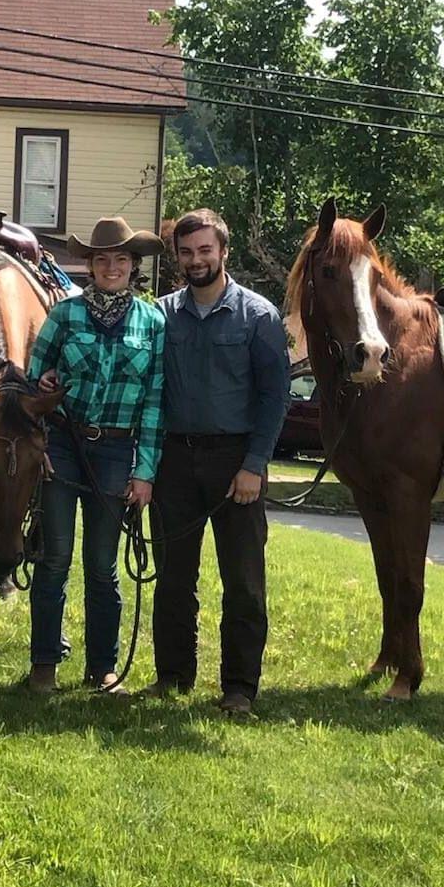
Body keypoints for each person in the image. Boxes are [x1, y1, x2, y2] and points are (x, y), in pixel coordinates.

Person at [144, 208, 291, 715]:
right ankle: (173, 676)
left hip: (237, 464)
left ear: (224, 252)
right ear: (176, 258)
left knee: (244, 582)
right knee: (173, 579)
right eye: (186, 252)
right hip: (174, 463)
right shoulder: (160, 316)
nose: (196, 260)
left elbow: (276, 399)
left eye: (205, 250)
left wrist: (254, 465)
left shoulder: (259, 316)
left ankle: (239, 689)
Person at [25, 217, 166, 694]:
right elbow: (30, 382)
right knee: (54, 557)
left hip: (115, 449)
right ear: (90, 264)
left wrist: (144, 471)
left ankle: (101, 667)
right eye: (102, 259)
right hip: (63, 443)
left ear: (133, 266)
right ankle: (44, 662)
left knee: (103, 565)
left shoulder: (153, 323)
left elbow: (154, 402)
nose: (111, 267)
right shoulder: (64, 315)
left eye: (121, 259)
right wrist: (40, 403)